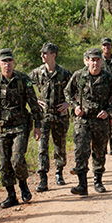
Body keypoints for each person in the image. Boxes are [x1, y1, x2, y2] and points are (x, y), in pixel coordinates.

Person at [0, 48, 42, 208]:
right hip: (2, 127)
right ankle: (11, 196)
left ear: (13, 61)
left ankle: (23, 184)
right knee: (4, 164)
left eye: (10, 61)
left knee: (16, 160)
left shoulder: (24, 79)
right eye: (4, 61)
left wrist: (37, 126)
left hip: (21, 126)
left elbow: (33, 103)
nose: (7, 64)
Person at [64, 48, 112, 196]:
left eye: (97, 60)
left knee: (99, 151)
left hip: (100, 121)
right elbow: (67, 92)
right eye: (92, 60)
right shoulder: (79, 76)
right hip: (82, 120)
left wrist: (108, 110)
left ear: (101, 61)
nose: (95, 63)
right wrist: (75, 105)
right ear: (87, 61)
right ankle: (82, 184)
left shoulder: (109, 78)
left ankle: (98, 180)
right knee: (81, 150)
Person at [28, 43, 72, 192]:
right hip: (44, 116)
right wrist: (34, 100)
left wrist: (68, 103)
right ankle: (43, 178)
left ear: (53, 55)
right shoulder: (37, 73)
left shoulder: (65, 74)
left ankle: (59, 172)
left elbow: (77, 89)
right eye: (42, 53)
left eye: (45, 53)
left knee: (60, 146)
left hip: (60, 116)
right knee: (42, 147)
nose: (42, 56)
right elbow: (25, 85)